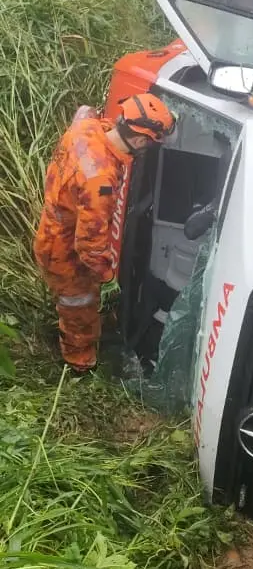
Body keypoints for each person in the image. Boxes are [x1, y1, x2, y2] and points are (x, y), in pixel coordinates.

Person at [33, 94, 176, 374]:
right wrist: (108, 279)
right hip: (64, 253)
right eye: (149, 143)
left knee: (73, 304)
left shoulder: (88, 128)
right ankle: (79, 365)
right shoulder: (101, 182)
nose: (147, 148)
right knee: (80, 309)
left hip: (52, 229)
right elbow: (89, 247)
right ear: (138, 140)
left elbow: (84, 111)